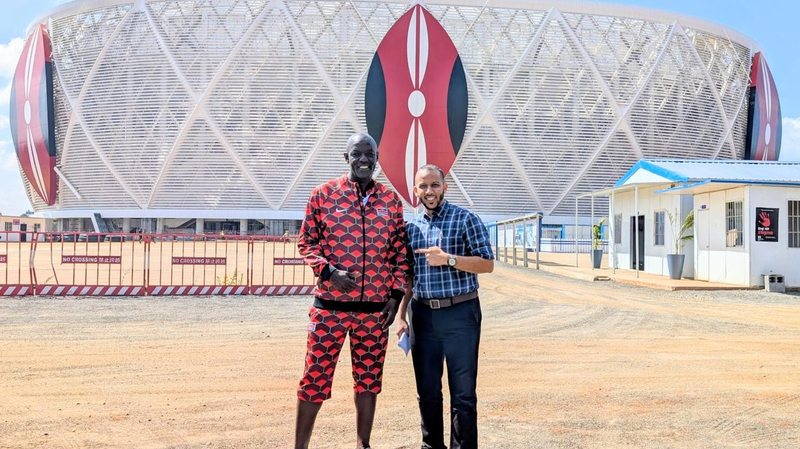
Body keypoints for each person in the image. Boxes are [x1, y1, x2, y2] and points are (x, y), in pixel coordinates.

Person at [295, 132, 409, 449]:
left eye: (369, 154)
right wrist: (328, 271)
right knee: (314, 380)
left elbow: (400, 254)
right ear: (346, 157)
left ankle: (363, 444)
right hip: (329, 309)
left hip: (374, 314)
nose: (363, 159)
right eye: (357, 154)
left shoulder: (390, 201)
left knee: (369, 381)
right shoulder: (322, 196)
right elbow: (306, 243)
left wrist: (396, 296)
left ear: (376, 159)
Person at [396, 164, 494, 449]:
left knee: (463, 394)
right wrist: (402, 316)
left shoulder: (465, 219)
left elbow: (487, 264)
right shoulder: (410, 228)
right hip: (423, 316)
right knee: (427, 391)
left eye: (434, 185)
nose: (429, 191)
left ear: (444, 187)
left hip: (460, 315)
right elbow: (409, 276)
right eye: (423, 186)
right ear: (415, 190)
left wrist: (449, 259)